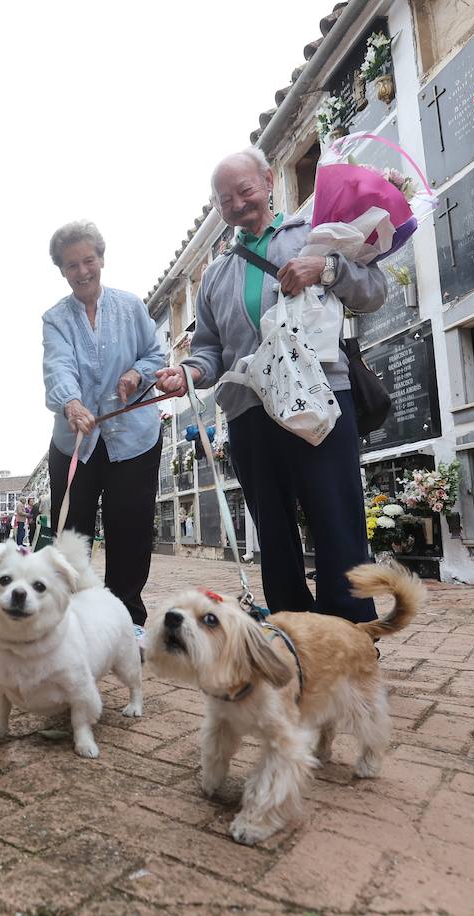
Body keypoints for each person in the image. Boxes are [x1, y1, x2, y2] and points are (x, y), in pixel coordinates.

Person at [156, 148, 384, 623]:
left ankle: (351, 633)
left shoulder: (314, 234)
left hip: (319, 397)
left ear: (267, 181)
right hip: (250, 408)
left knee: (335, 517)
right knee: (274, 532)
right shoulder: (215, 274)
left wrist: (326, 269)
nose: (238, 204)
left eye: (246, 190)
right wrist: (189, 373)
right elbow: (210, 350)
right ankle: (292, 630)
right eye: (226, 200)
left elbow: (374, 291)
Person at [43, 220, 167, 625]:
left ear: (101, 259)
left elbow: (154, 353)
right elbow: (58, 366)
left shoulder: (130, 306)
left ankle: (125, 620)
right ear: (62, 270)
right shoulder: (55, 319)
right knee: (73, 533)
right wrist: (72, 403)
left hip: (133, 437)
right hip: (76, 440)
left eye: (88, 260)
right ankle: (73, 619)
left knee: (129, 529)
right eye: (71, 265)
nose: (82, 272)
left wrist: (137, 374)